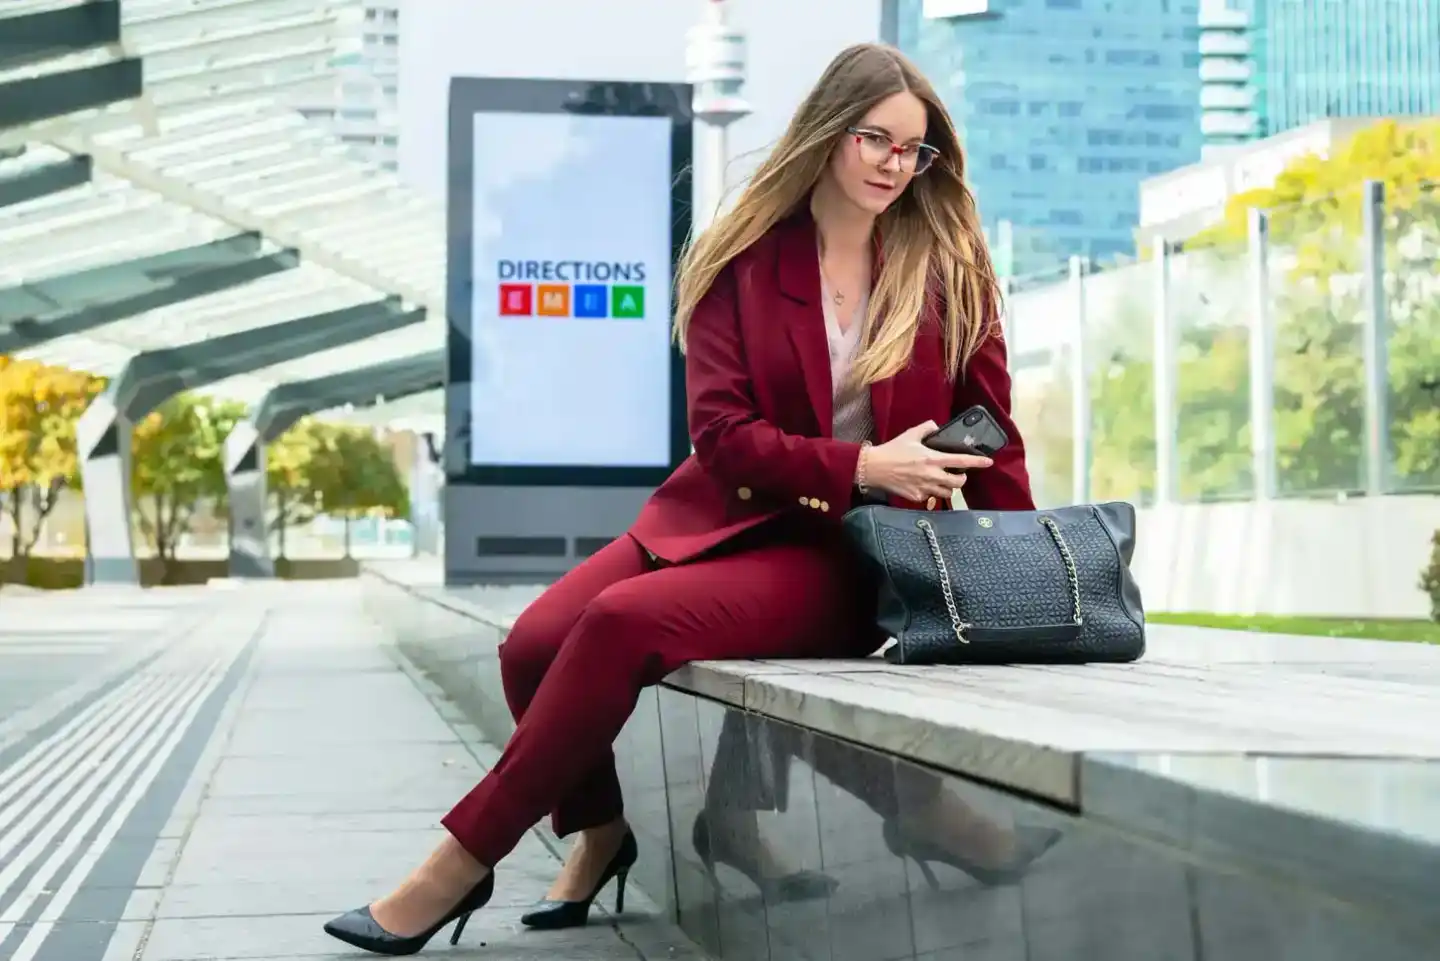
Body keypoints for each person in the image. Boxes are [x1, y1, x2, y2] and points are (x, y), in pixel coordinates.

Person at [322, 41, 1035, 956]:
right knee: (531, 645)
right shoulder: (744, 256)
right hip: (727, 511)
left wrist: (1013, 574)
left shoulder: (948, 265)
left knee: (619, 624)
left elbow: (994, 432)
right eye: (877, 141)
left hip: (858, 556)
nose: (897, 165)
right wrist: (861, 465)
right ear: (827, 132)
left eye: (916, 150)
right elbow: (724, 435)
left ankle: (459, 860)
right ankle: (603, 833)